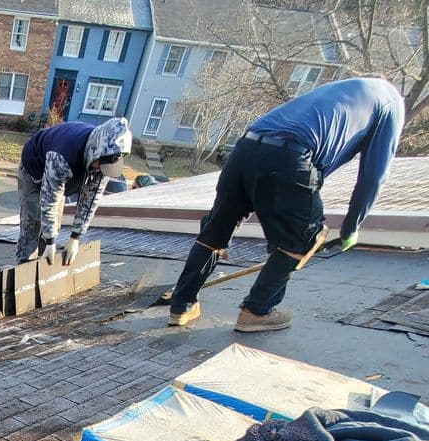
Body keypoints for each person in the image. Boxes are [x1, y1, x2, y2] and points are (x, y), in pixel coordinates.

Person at [168, 77, 405, 333]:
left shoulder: (347, 89)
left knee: (215, 231)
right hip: (290, 155)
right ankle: (257, 312)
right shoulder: (392, 104)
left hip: (246, 146)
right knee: (302, 239)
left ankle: (181, 305)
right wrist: (352, 226)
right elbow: (373, 175)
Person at [17, 118, 133, 266]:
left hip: (65, 171)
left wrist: (75, 237)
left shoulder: (104, 160)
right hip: (34, 170)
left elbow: (90, 200)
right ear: (95, 151)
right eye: (100, 165)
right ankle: (24, 266)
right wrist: (51, 241)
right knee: (34, 222)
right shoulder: (63, 155)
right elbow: (49, 199)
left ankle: (43, 262)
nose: (99, 169)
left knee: (54, 225)